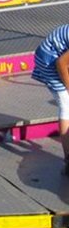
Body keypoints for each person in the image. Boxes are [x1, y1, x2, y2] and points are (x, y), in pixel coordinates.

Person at [32, 25, 69, 175]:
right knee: (66, 105)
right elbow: (61, 63)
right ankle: (68, 158)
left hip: (61, 53)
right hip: (50, 60)